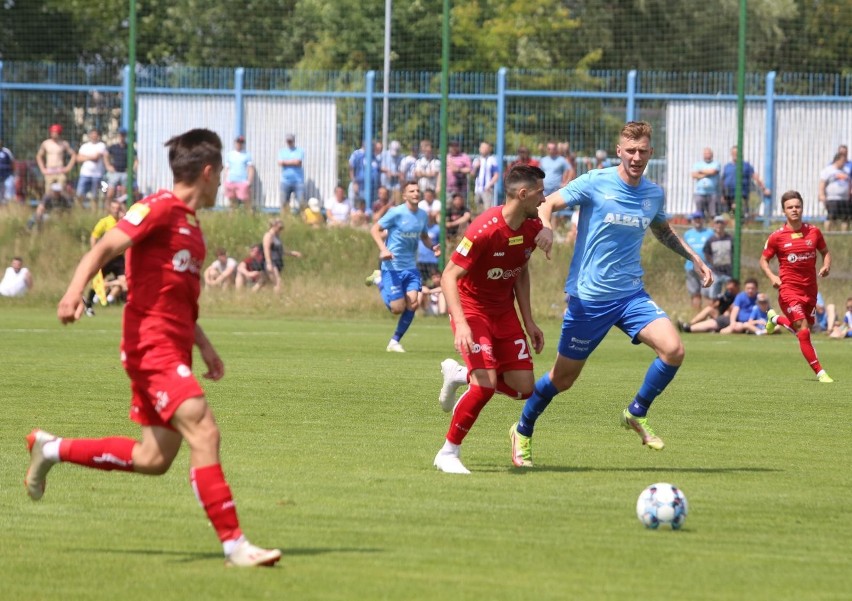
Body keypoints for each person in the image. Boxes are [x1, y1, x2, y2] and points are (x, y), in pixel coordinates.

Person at [29, 128, 280, 567]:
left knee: (153, 458)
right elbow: (105, 246)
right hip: (150, 348)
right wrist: (73, 293)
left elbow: (177, 297)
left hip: (175, 347)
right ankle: (234, 545)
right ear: (207, 172)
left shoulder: (192, 226)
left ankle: (51, 449)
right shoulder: (159, 207)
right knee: (204, 430)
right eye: (219, 173)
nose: (221, 182)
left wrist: (204, 346)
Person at [508, 121, 713, 469]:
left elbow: (662, 230)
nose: (636, 157)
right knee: (563, 379)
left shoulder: (652, 194)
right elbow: (549, 204)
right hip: (589, 299)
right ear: (620, 151)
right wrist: (544, 227)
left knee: (674, 350)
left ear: (650, 153)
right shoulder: (595, 181)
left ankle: (636, 412)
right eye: (630, 150)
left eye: (643, 151)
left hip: (631, 295)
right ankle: (522, 429)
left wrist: (693, 258)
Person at [432, 165, 546, 474]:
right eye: (540, 193)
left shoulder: (532, 227)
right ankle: (448, 452)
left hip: (504, 313)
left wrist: (530, 322)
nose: (544, 199)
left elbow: (520, 271)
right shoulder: (483, 229)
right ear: (523, 195)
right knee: (484, 386)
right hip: (473, 311)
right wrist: (462, 323)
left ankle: (460, 375)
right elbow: (448, 276)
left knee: (524, 389)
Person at [760, 190, 834, 383]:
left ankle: (775, 318)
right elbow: (763, 260)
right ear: (784, 211)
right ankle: (820, 372)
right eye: (790, 207)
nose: (794, 210)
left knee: (806, 327)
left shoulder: (814, 232)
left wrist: (826, 265)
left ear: (802, 208)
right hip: (788, 290)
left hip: (810, 291)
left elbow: (825, 252)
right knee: (803, 331)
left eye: (797, 206)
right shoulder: (777, 237)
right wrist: (772, 276)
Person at [368, 180, 439, 352]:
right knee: (397, 309)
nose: (416, 193)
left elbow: (423, 235)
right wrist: (383, 249)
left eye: (417, 190)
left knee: (413, 303)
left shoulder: (422, 215)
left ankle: (394, 341)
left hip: (410, 267)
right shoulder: (396, 213)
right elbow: (374, 229)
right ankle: (378, 280)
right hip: (392, 266)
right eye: (411, 191)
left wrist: (432, 246)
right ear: (405, 195)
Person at [84, 199, 128, 313]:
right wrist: (95, 252)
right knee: (98, 281)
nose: (116, 210)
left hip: (118, 258)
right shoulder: (104, 222)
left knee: (124, 281)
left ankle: (116, 302)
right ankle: (89, 304)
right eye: (114, 208)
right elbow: (94, 236)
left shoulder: (123, 222)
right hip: (107, 257)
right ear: (110, 209)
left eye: (118, 208)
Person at [721, 145, 768, 218]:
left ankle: (740, 223)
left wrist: (764, 188)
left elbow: (755, 176)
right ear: (731, 154)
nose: (735, 155)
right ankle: (733, 223)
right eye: (733, 153)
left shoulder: (746, 165)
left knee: (737, 209)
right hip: (728, 194)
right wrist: (722, 195)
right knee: (729, 213)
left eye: (737, 153)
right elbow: (723, 181)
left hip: (741, 194)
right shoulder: (727, 166)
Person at [683, 211, 714, 311]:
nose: (697, 220)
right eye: (695, 218)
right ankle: (696, 314)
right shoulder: (688, 234)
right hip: (690, 267)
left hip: (705, 267)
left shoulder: (709, 233)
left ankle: (710, 315)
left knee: (708, 294)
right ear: (692, 220)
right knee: (695, 293)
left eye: (699, 218)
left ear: (702, 220)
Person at [262, 218, 302, 293]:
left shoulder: (277, 237)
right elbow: (266, 249)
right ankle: (276, 301)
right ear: (274, 226)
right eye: (280, 228)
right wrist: (269, 263)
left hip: (278, 262)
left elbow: (280, 251)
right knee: (278, 282)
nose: (281, 230)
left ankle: (248, 296)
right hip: (272, 262)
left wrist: (292, 253)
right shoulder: (268, 236)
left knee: (261, 283)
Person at [817, 151, 851, 232]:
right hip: (832, 198)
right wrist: (821, 195)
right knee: (831, 217)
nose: (844, 163)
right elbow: (822, 183)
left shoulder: (845, 171)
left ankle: (844, 234)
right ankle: (828, 233)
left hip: (845, 199)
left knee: (846, 218)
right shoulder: (828, 170)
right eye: (843, 161)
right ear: (837, 160)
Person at [36, 124, 76, 191]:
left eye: (56, 132)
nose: (54, 134)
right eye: (53, 132)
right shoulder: (46, 143)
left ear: (59, 133)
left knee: (61, 190)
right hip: (49, 170)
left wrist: (68, 168)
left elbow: (73, 155)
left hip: (60, 170)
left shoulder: (64, 144)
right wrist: (42, 169)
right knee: (48, 191)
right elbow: (39, 156)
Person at [703, 215, 733, 298]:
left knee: (731, 295)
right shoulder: (710, 240)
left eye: (721, 223)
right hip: (716, 272)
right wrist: (713, 263)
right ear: (714, 225)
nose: (719, 225)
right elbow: (706, 253)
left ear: (724, 225)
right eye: (717, 223)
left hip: (729, 272)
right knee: (714, 296)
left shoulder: (730, 238)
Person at [75, 128, 107, 206]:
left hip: (97, 174)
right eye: (92, 134)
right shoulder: (84, 146)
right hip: (85, 174)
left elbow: (96, 158)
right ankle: (79, 210)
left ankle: (94, 212)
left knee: (94, 195)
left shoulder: (101, 145)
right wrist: (90, 157)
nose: (93, 136)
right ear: (89, 136)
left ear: (98, 136)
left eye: (95, 135)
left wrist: (85, 157)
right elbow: (78, 158)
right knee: (79, 194)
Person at [223, 135, 255, 210]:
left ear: (243, 144)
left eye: (241, 142)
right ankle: (232, 219)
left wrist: (249, 182)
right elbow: (227, 168)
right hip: (231, 181)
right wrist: (225, 181)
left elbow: (250, 169)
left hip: (242, 182)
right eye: (238, 142)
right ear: (235, 143)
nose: (239, 144)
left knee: (246, 202)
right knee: (232, 203)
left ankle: (249, 218)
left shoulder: (247, 155)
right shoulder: (230, 154)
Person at [104, 128, 136, 203]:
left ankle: (122, 210)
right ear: (118, 136)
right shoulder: (114, 147)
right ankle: (108, 208)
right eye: (120, 135)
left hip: (124, 172)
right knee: (110, 192)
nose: (122, 137)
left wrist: (132, 169)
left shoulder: (129, 147)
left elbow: (135, 159)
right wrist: (108, 166)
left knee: (124, 194)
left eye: (123, 135)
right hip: (115, 172)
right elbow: (105, 155)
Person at [277, 133, 305, 215]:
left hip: (298, 181)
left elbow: (298, 162)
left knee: (301, 201)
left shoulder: (300, 151)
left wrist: (285, 162)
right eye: (288, 141)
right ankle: (285, 219)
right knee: (284, 202)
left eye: (291, 141)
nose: (289, 142)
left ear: (294, 141)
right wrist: (292, 162)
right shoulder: (282, 151)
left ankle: (303, 219)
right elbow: (279, 163)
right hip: (285, 181)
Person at [691, 147, 720, 218]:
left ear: (712, 155)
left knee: (713, 214)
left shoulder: (716, 163)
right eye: (706, 154)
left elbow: (713, 171)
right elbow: (694, 175)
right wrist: (708, 173)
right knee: (699, 213)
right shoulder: (697, 164)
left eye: (709, 153)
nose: (707, 155)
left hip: (712, 193)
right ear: (703, 155)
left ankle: (712, 226)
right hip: (700, 193)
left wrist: (700, 171)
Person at [472, 141, 499, 211]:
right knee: (477, 210)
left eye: (486, 148)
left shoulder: (492, 160)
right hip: (477, 189)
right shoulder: (476, 160)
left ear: (489, 149)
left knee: (487, 210)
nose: (484, 149)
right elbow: (472, 174)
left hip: (487, 189)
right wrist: (475, 167)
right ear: (479, 149)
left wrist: (489, 185)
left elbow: (496, 175)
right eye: (482, 147)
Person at [0, 138, 16, 203]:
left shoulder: (6, 151)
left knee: (9, 192)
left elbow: (12, 162)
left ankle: (9, 207)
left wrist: (13, 173)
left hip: (7, 175)